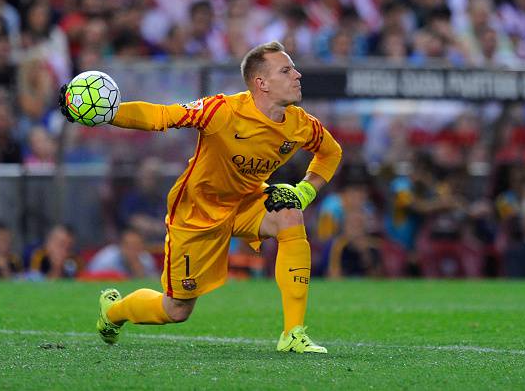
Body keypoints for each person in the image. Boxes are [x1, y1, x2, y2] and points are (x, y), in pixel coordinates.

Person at [58, 41, 342, 354]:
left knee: (290, 213)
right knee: (176, 310)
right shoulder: (223, 111)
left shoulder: (301, 125)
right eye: (286, 70)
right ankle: (113, 313)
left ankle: (293, 333)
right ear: (261, 83)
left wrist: (303, 191)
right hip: (198, 212)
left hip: (246, 200)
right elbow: (162, 116)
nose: (297, 74)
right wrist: (108, 114)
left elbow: (330, 153)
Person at [86, 228, 158, 279]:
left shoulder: (146, 259)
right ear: (121, 246)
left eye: (137, 245)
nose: (132, 250)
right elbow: (90, 279)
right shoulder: (107, 259)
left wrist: (139, 271)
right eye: (129, 246)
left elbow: (154, 281)